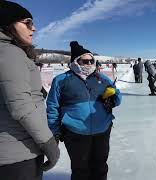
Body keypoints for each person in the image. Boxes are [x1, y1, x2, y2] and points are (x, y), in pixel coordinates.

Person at [0, 1, 60, 179]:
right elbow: (21, 106)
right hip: (19, 152)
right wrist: (49, 143)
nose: (33, 29)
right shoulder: (9, 52)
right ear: (7, 23)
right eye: (27, 22)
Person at [46, 41, 122, 180]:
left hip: (102, 130)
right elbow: (52, 107)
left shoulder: (101, 78)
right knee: (80, 169)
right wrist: (55, 131)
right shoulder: (61, 80)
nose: (89, 64)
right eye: (85, 61)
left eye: (91, 60)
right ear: (75, 61)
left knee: (100, 166)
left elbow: (117, 97)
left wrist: (113, 99)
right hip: (75, 132)